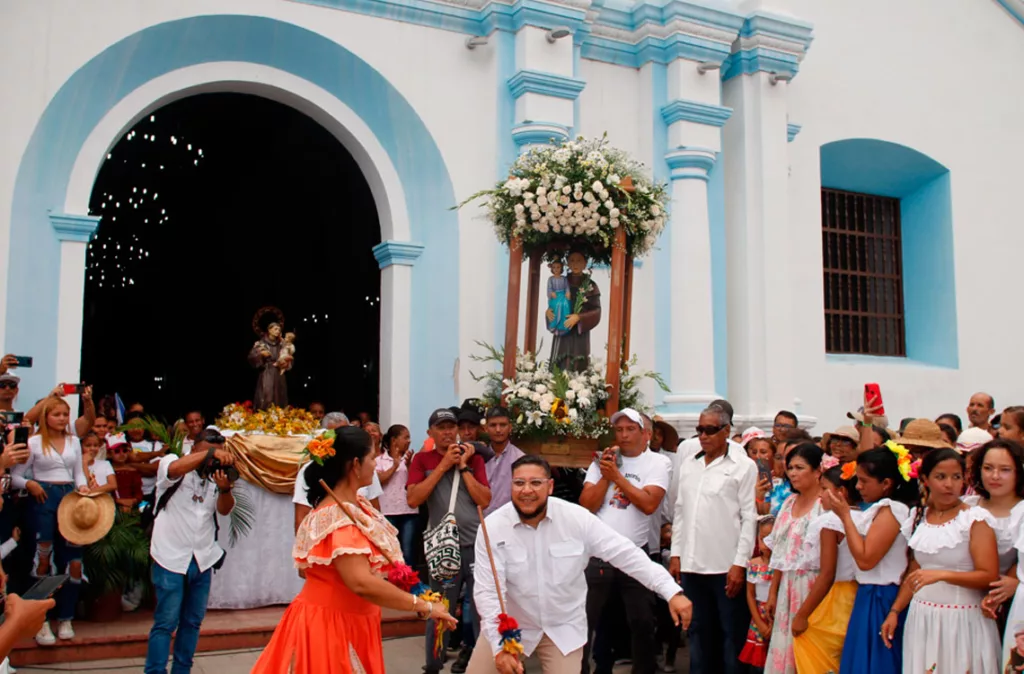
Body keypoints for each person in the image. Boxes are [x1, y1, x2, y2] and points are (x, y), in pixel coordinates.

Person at [254, 426, 457, 673]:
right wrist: (422, 605)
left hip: (350, 620)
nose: (376, 464)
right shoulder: (337, 518)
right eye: (372, 458)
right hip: (331, 626)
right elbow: (361, 582)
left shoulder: (357, 506)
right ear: (355, 465)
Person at [467, 455, 692, 674]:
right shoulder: (493, 527)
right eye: (519, 483)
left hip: (562, 630)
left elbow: (626, 554)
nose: (527, 490)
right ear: (511, 486)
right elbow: (489, 592)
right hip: (509, 626)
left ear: (550, 486)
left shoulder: (576, 519)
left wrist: (671, 591)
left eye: (536, 483)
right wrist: (500, 647)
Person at [885, 448, 1001, 672]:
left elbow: (989, 575)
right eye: (941, 477)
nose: (949, 484)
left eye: (956, 477)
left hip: (961, 618)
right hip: (923, 617)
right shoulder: (919, 517)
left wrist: (941, 574)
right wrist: (895, 611)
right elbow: (915, 571)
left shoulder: (974, 519)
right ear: (925, 479)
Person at [578, 408, 671, 674]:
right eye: (619, 430)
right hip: (598, 553)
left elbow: (649, 504)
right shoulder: (603, 460)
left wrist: (618, 478)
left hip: (634, 551)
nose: (624, 435)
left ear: (647, 435)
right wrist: (606, 478)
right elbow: (586, 504)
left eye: (631, 429)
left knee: (641, 620)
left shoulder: (657, 463)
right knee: (588, 619)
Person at [669, 404, 756, 674]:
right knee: (697, 632)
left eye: (709, 430)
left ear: (726, 431)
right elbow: (681, 511)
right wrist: (676, 554)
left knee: (731, 635)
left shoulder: (743, 466)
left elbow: (749, 518)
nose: (703, 436)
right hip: (692, 564)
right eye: (699, 430)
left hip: (725, 567)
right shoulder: (689, 464)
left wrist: (739, 564)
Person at [144, 429, 237, 674]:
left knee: (192, 623)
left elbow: (225, 511)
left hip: (203, 559)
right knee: (166, 623)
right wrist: (211, 452)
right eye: (206, 451)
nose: (211, 458)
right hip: (170, 557)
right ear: (194, 448)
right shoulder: (171, 462)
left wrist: (225, 489)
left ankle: (182, 671)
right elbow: (174, 470)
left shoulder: (214, 476)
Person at [407, 408, 491, 674]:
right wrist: (443, 466)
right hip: (443, 548)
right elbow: (413, 499)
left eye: (451, 427)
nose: (447, 432)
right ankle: (433, 665)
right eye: (441, 428)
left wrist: (463, 466)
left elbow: (484, 499)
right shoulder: (421, 460)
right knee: (439, 610)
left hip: (476, 545)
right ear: (430, 432)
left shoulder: (473, 458)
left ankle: (480, 664)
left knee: (480, 609)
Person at [825, 445, 918, 674]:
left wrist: (845, 516)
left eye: (864, 481)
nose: (858, 486)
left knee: (876, 663)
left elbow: (867, 559)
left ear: (886, 483)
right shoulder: (883, 508)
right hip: (869, 594)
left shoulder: (892, 509)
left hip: (881, 596)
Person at [10, 397, 89, 644]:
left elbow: (78, 474)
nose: (62, 419)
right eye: (57, 414)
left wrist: (84, 489)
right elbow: (15, 477)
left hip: (69, 497)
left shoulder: (74, 441)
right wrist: (31, 484)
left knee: (74, 561)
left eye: (65, 414)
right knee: (43, 559)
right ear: (45, 416)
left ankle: (66, 617)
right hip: (43, 498)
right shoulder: (33, 442)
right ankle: (41, 621)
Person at [791, 464, 860, 673]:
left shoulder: (831, 521)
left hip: (835, 598)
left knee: (810, 644)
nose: (820, 495)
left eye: (824, 489)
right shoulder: (866, 516)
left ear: (842, 492)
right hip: (858, 594)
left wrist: (802, 615)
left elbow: (827, 573)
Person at [762, 444, 824, 673]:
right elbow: (780, 554)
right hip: (786, 587)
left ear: (818, 470)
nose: (793, 473)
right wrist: (772, 592)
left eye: (800, 467)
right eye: (790, 468)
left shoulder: (825, 506)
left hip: (814, 588)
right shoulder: (788, 503)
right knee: (783, 652)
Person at [969, 439, 1024, 629]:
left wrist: (1016, 582)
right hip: (963, 602)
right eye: (988, 468)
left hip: (1011, 607)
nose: (995, 476)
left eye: (1005, 470)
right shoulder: (966, 506)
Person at [548, 249, 601, 372]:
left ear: (585, 263)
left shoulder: (591, 286)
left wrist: (579, 318)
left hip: (579, 333)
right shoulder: (560, 283)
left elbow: (597, 310)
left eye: (579, 261)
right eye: (572, 260)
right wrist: (548, 312)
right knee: (559, 363)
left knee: (578, 363)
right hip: (562, 328)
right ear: (567, 263)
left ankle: (579, 386)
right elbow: (553, 302)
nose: (575, 264)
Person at [376, 424, 418, 564]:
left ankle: (409, 583)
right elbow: (379, 480)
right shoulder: (379, 461)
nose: (409, 441)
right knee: (389, 552)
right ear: (394, 440)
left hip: (409, 511)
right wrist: (395, 465)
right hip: (388, 512)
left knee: (408, 552)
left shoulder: (410, 460)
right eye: (405, 437)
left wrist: (409, 465)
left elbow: (415, 481)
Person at [739, 516, 775, 672]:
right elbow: (750, 594)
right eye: (762, 538)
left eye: (770, 538)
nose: (766, 543)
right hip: (758, 616)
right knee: (757, 663)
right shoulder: (753, 564)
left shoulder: (782, 567)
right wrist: (759, 622)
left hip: (776, 614)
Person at [482, 407, 523, 517]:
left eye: (503, 425)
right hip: (479, 523)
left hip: (508, 522)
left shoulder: (519, 459)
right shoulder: (478, 457)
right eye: (493, 425)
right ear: (485, 428)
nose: (498, 430)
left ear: (510, 427)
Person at [248, 321, 288, 409]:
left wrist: (285, 361)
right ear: (269, 330)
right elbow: (251, 356)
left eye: (279, 329)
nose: (278, 331)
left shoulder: (282, 344)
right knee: (266, 394)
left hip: (278, 372)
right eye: (275, 329)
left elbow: (288, 356)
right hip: (267, 372)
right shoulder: (262, 343)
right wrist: (261, 354)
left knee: (279, 395)